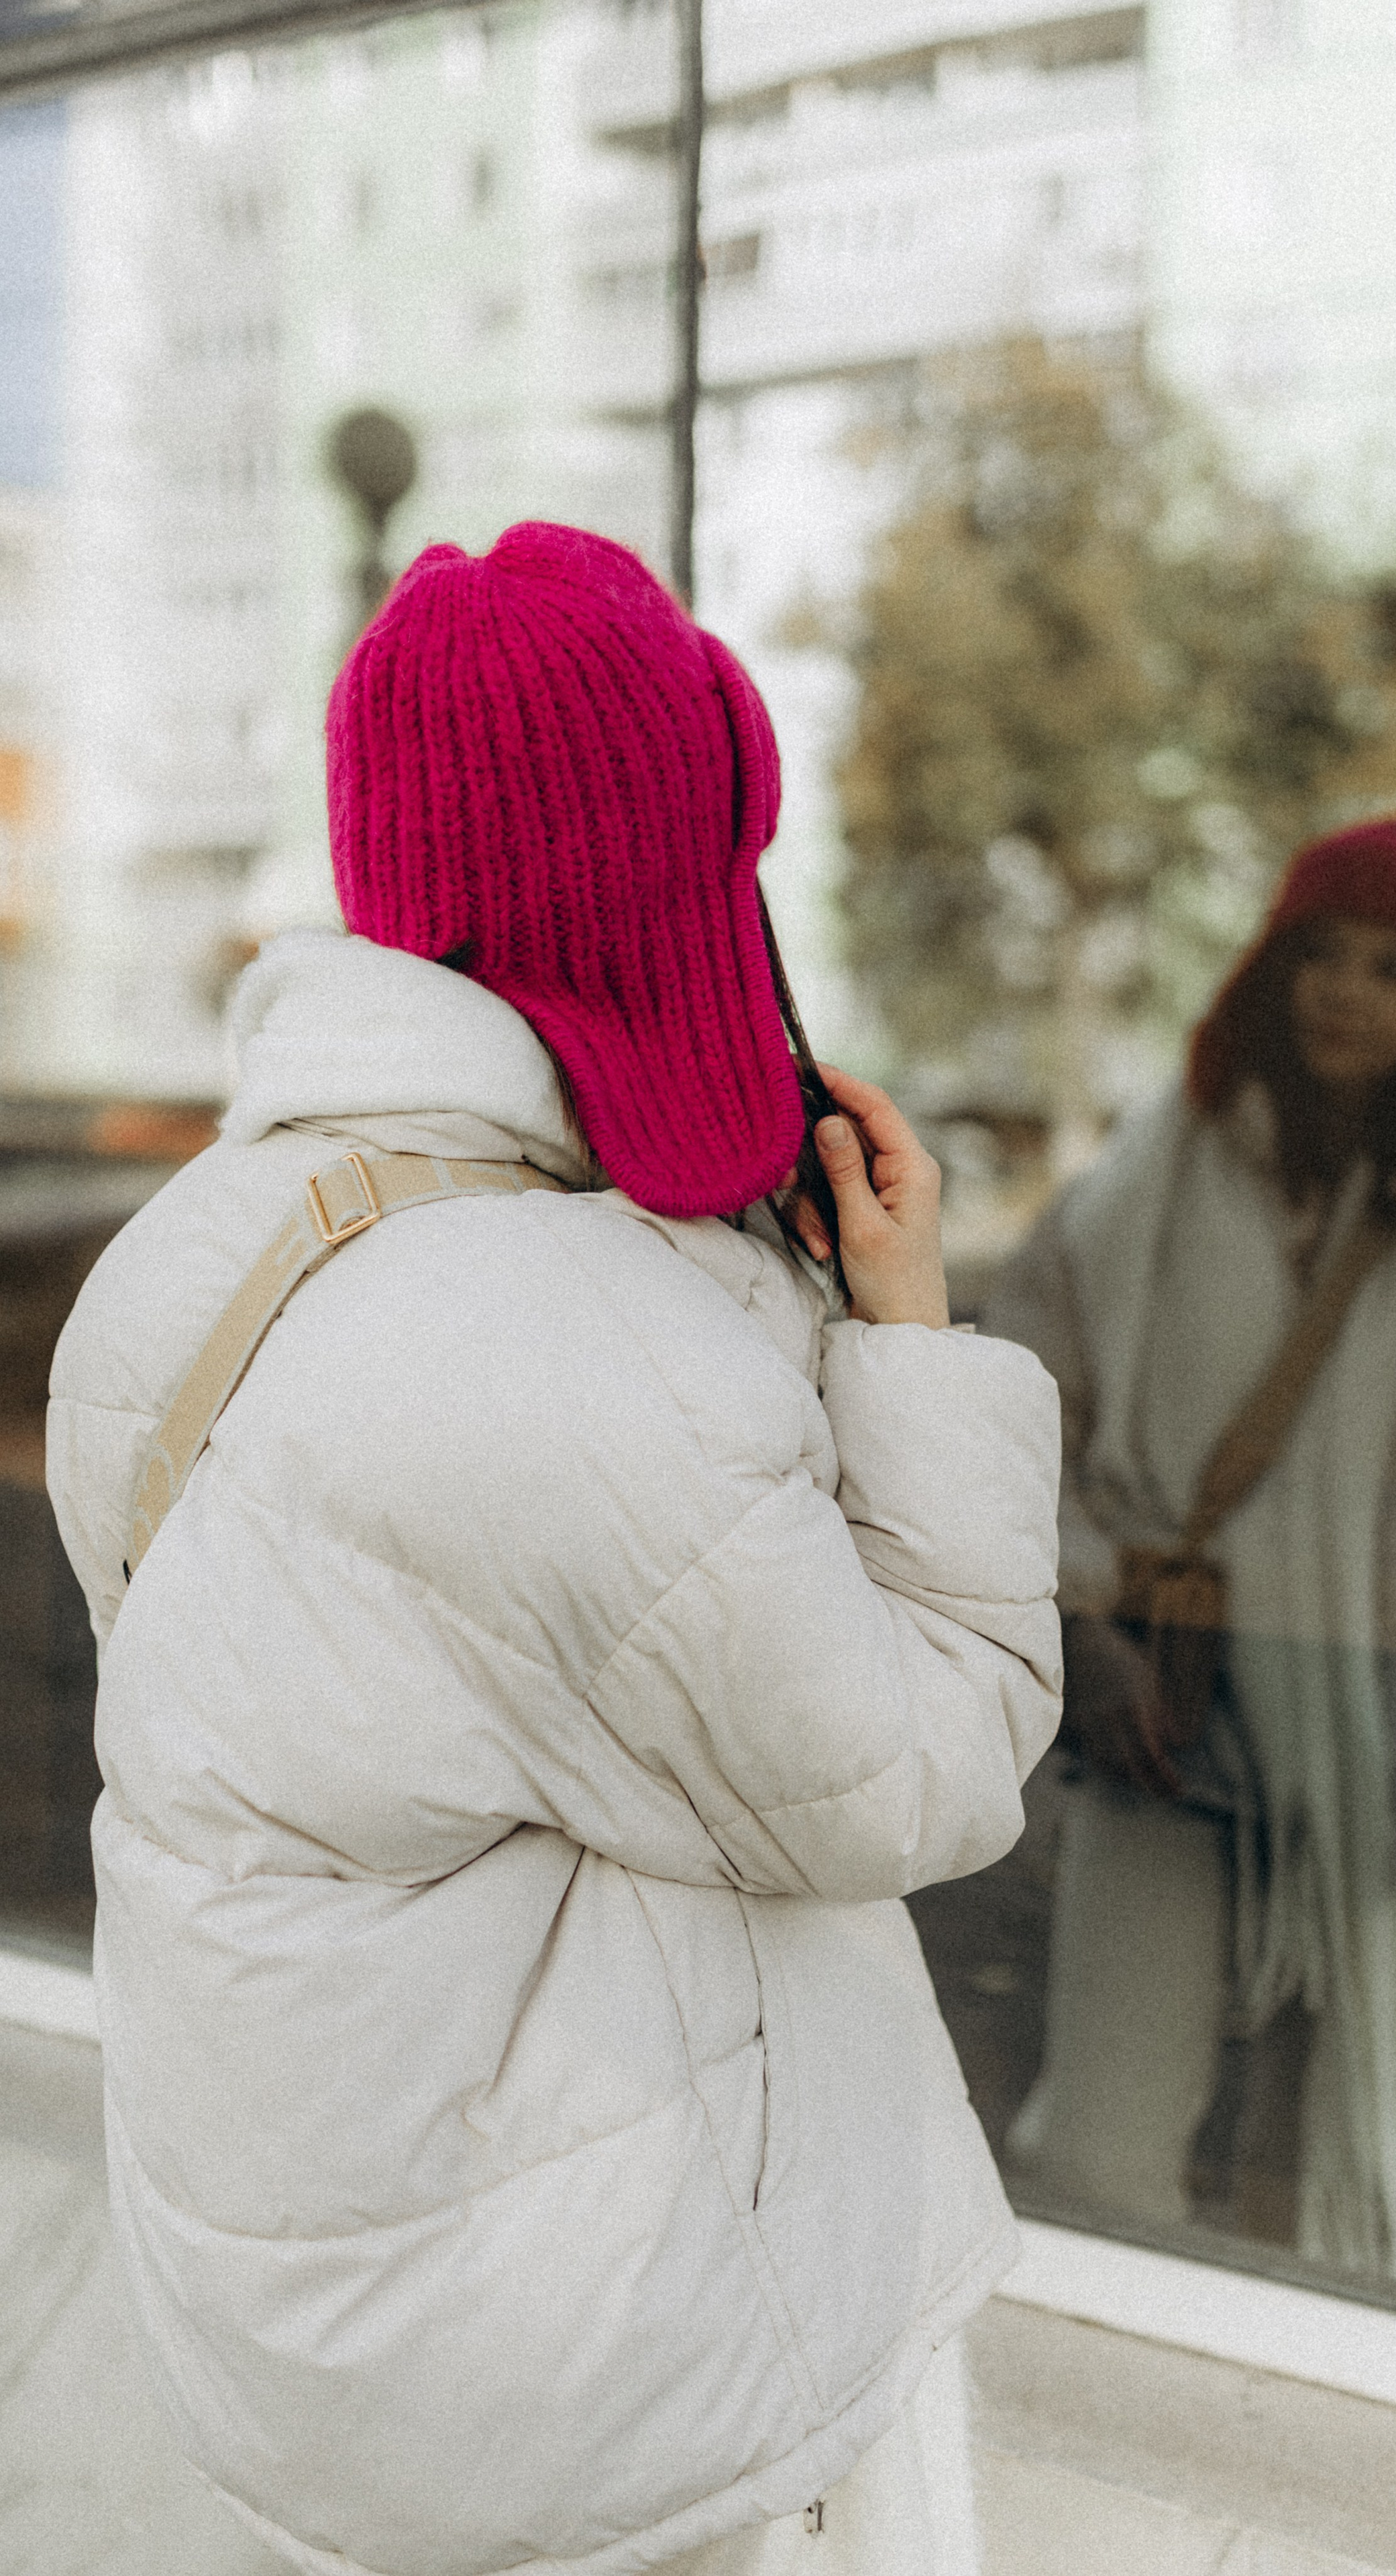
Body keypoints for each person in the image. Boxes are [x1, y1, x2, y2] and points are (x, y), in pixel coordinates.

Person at [47, 525, 1062, 2576]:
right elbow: (914, 1774)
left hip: (315, 2287)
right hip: (564, 2350)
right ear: (660, 885)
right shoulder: (570, 1350)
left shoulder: (196, 1256)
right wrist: (910, 1341)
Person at [985, 815, 1396, 2293]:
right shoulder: (1127, 1195)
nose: (1345, 992)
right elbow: (1015, 1436)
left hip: (1374, 1719)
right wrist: (1087, 1619)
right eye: (1319, 953)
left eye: (1395, 969)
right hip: (1172, 1701)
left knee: (1312, 2170)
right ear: (1268, 969)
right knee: (1100, 2143)